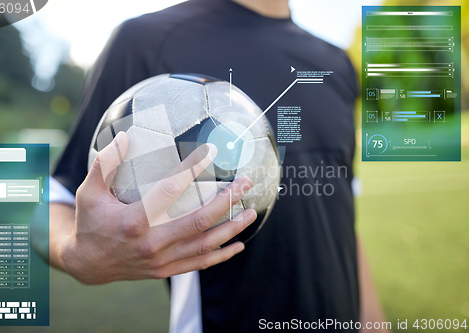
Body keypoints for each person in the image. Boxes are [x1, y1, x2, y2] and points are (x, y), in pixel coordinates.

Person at [47, 0, 388, 332]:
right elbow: (54, 202)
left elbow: (340, 219)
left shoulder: (336, 64)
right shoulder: (146, 41)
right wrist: (76, 254)